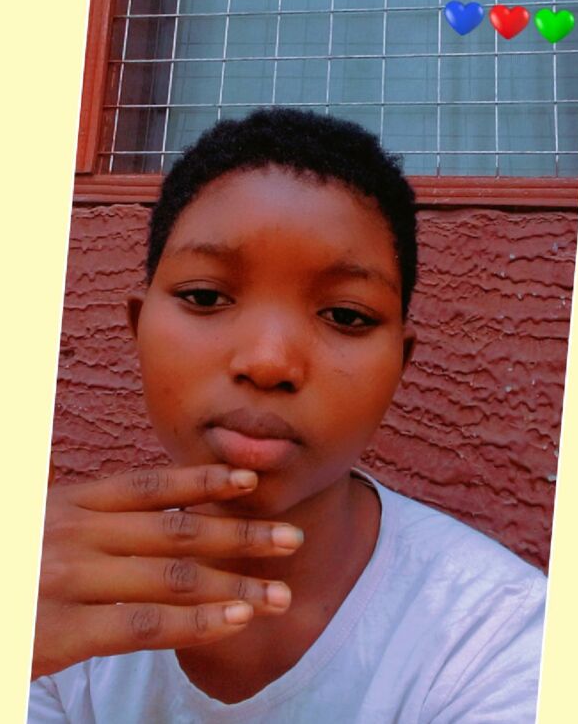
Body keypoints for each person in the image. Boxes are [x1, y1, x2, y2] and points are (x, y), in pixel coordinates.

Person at [29, 108, 546, 722]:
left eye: (346, 316)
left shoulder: (499, 642)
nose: (268, 361)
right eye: (205, 297)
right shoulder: (44, 595)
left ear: (400, 364)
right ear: (138, 328)